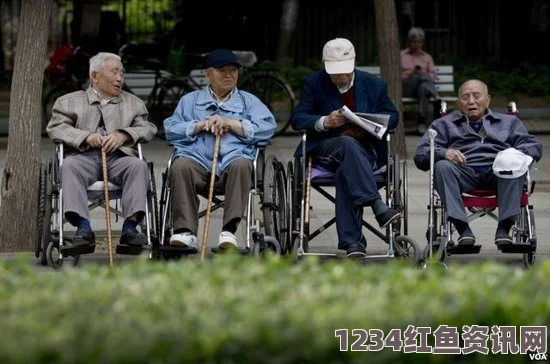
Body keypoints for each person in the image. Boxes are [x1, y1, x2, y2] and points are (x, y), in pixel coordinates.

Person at [290, 37, 402, 259]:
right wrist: (324, 121)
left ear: (353, 65)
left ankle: (353, 244)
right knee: (346, 143)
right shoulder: (315, 82)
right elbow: (298, 118)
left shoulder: (374, 84)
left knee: (346, 169)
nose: (339, 78)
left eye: (343, 73)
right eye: (334, 74)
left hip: (365, 150)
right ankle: (376, 204)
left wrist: (367, 128)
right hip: (327, 148)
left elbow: (394, 117)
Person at [164, 48, 276, 250]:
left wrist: (232, 123)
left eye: (233, 70)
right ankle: (185, 232)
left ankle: (228, 232)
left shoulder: (248, 101)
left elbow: (268, 128)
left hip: (233, 162)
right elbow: (170, 129)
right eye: (222, 70)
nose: (229, 75)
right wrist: (198, 126)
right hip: (197, 160)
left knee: (243, 165)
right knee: (180, 166)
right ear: (208, 74)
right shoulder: (189, 101)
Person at [47, 52, 158, 247]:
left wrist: (124, 135)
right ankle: (83, 227)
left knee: (138, 167)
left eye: (122, 74)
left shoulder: (134, 103)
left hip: (119, 157)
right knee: (69, 166)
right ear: (95, 76)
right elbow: (56, 127)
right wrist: (85, 137)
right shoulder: (68, 102)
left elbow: (148, 127)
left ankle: (130, 229)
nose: (119, 78)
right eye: (114, 72)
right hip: (83, 157)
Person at [414, 79, 542, 246]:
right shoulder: (443, 124)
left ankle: (504, 228)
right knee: (441, 166)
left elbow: (533, 145)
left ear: (488, 99)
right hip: (463, 171)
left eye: (476, 96)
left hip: (499, 172)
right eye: (465, 97)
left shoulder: (508, 122)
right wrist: (444, 152)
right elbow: (421, 154)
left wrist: (514, 155)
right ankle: (463, 229)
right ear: (459, 102)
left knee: (513, 164)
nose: (471, 101)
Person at [400, 27, 439, 134]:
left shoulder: (427, 57)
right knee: (422, 79)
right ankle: (436, 95)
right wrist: (411, 73)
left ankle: (421, 122)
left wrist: (422, 74)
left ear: (422, 43)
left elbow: (432, 76)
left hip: (422, 89)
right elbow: (396, 77)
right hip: (406, 87)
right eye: (414, 42)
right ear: (409, 42)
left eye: (419, 42)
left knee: (423, 86)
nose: (416, 44)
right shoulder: (401, 55)